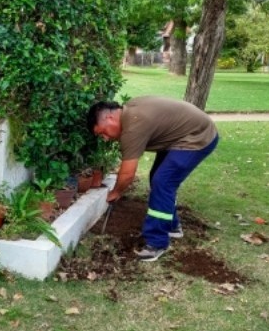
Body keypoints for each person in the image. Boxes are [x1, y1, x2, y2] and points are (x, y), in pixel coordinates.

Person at [86, 96, 219, 261]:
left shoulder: (133, 128)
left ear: (109, 117)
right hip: (182, 135)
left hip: (197, 137)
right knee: (159, 178)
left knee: (163, 182)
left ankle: (156, 242)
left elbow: (127, 174)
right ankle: (172, 226)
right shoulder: (130, 111)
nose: (105, 138)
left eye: (102, 132)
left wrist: (116, 192)